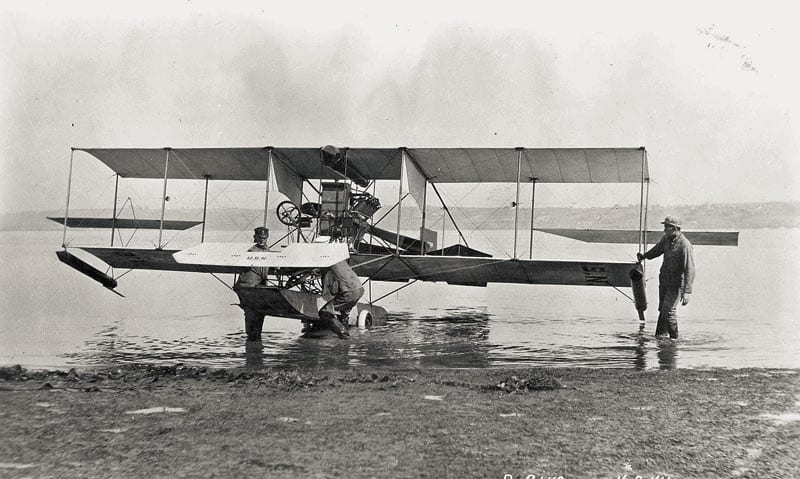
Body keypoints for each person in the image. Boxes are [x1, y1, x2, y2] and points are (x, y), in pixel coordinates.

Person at [637, 216, 695, 339]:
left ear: (674, 229)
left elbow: (689, 269)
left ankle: (674, 339)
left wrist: (687, 292)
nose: (664, 230)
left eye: (666, 227)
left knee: (669, 311)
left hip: (676, 285)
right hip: (664, 281)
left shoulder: (685, 245)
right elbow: (657, 250)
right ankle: (660, 336)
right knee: (662, 309)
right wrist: (644, 256)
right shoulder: (666, 239)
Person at [234, 227, 271, 341]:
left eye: (264, 238)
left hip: (259, 285)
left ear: (267, 238)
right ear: (254, 237)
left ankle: (254, 340)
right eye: (259, 238)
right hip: (248, 286)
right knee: (251, 312)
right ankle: (252, 338)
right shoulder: (250, 251)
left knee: (259, 312)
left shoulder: (267, 250)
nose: (261, 240)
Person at [318, 259, 364, 339]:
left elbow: (329, 291)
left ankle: (344, 336)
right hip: (359, 289)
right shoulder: (340, 259)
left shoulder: (325, 265)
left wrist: (324, 305)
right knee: (343, 311)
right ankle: (344, 326)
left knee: (324, 313)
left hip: (349, 293)